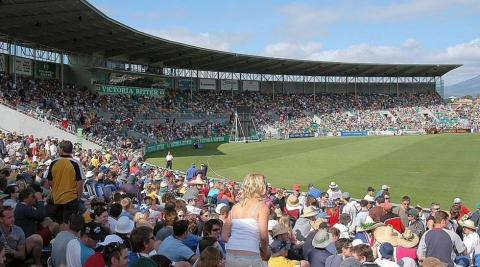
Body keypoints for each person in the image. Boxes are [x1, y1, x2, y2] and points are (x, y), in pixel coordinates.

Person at [223, 173, 269, 267]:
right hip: (250, 255)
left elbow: (224, 236)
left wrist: (238, 243)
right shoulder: (262, 207)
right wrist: (264, 252)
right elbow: (264, 237)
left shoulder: (235, 207)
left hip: (230, 253)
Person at [46, 140, 85, 225]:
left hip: (57, 199)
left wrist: (56, 190)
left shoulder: (53, 162)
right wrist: (78, 198)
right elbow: (80, 183)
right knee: (68, 224)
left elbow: (49, 181)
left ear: (61, 149)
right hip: (71, 199)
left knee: (58, 224)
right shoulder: (76, 163)